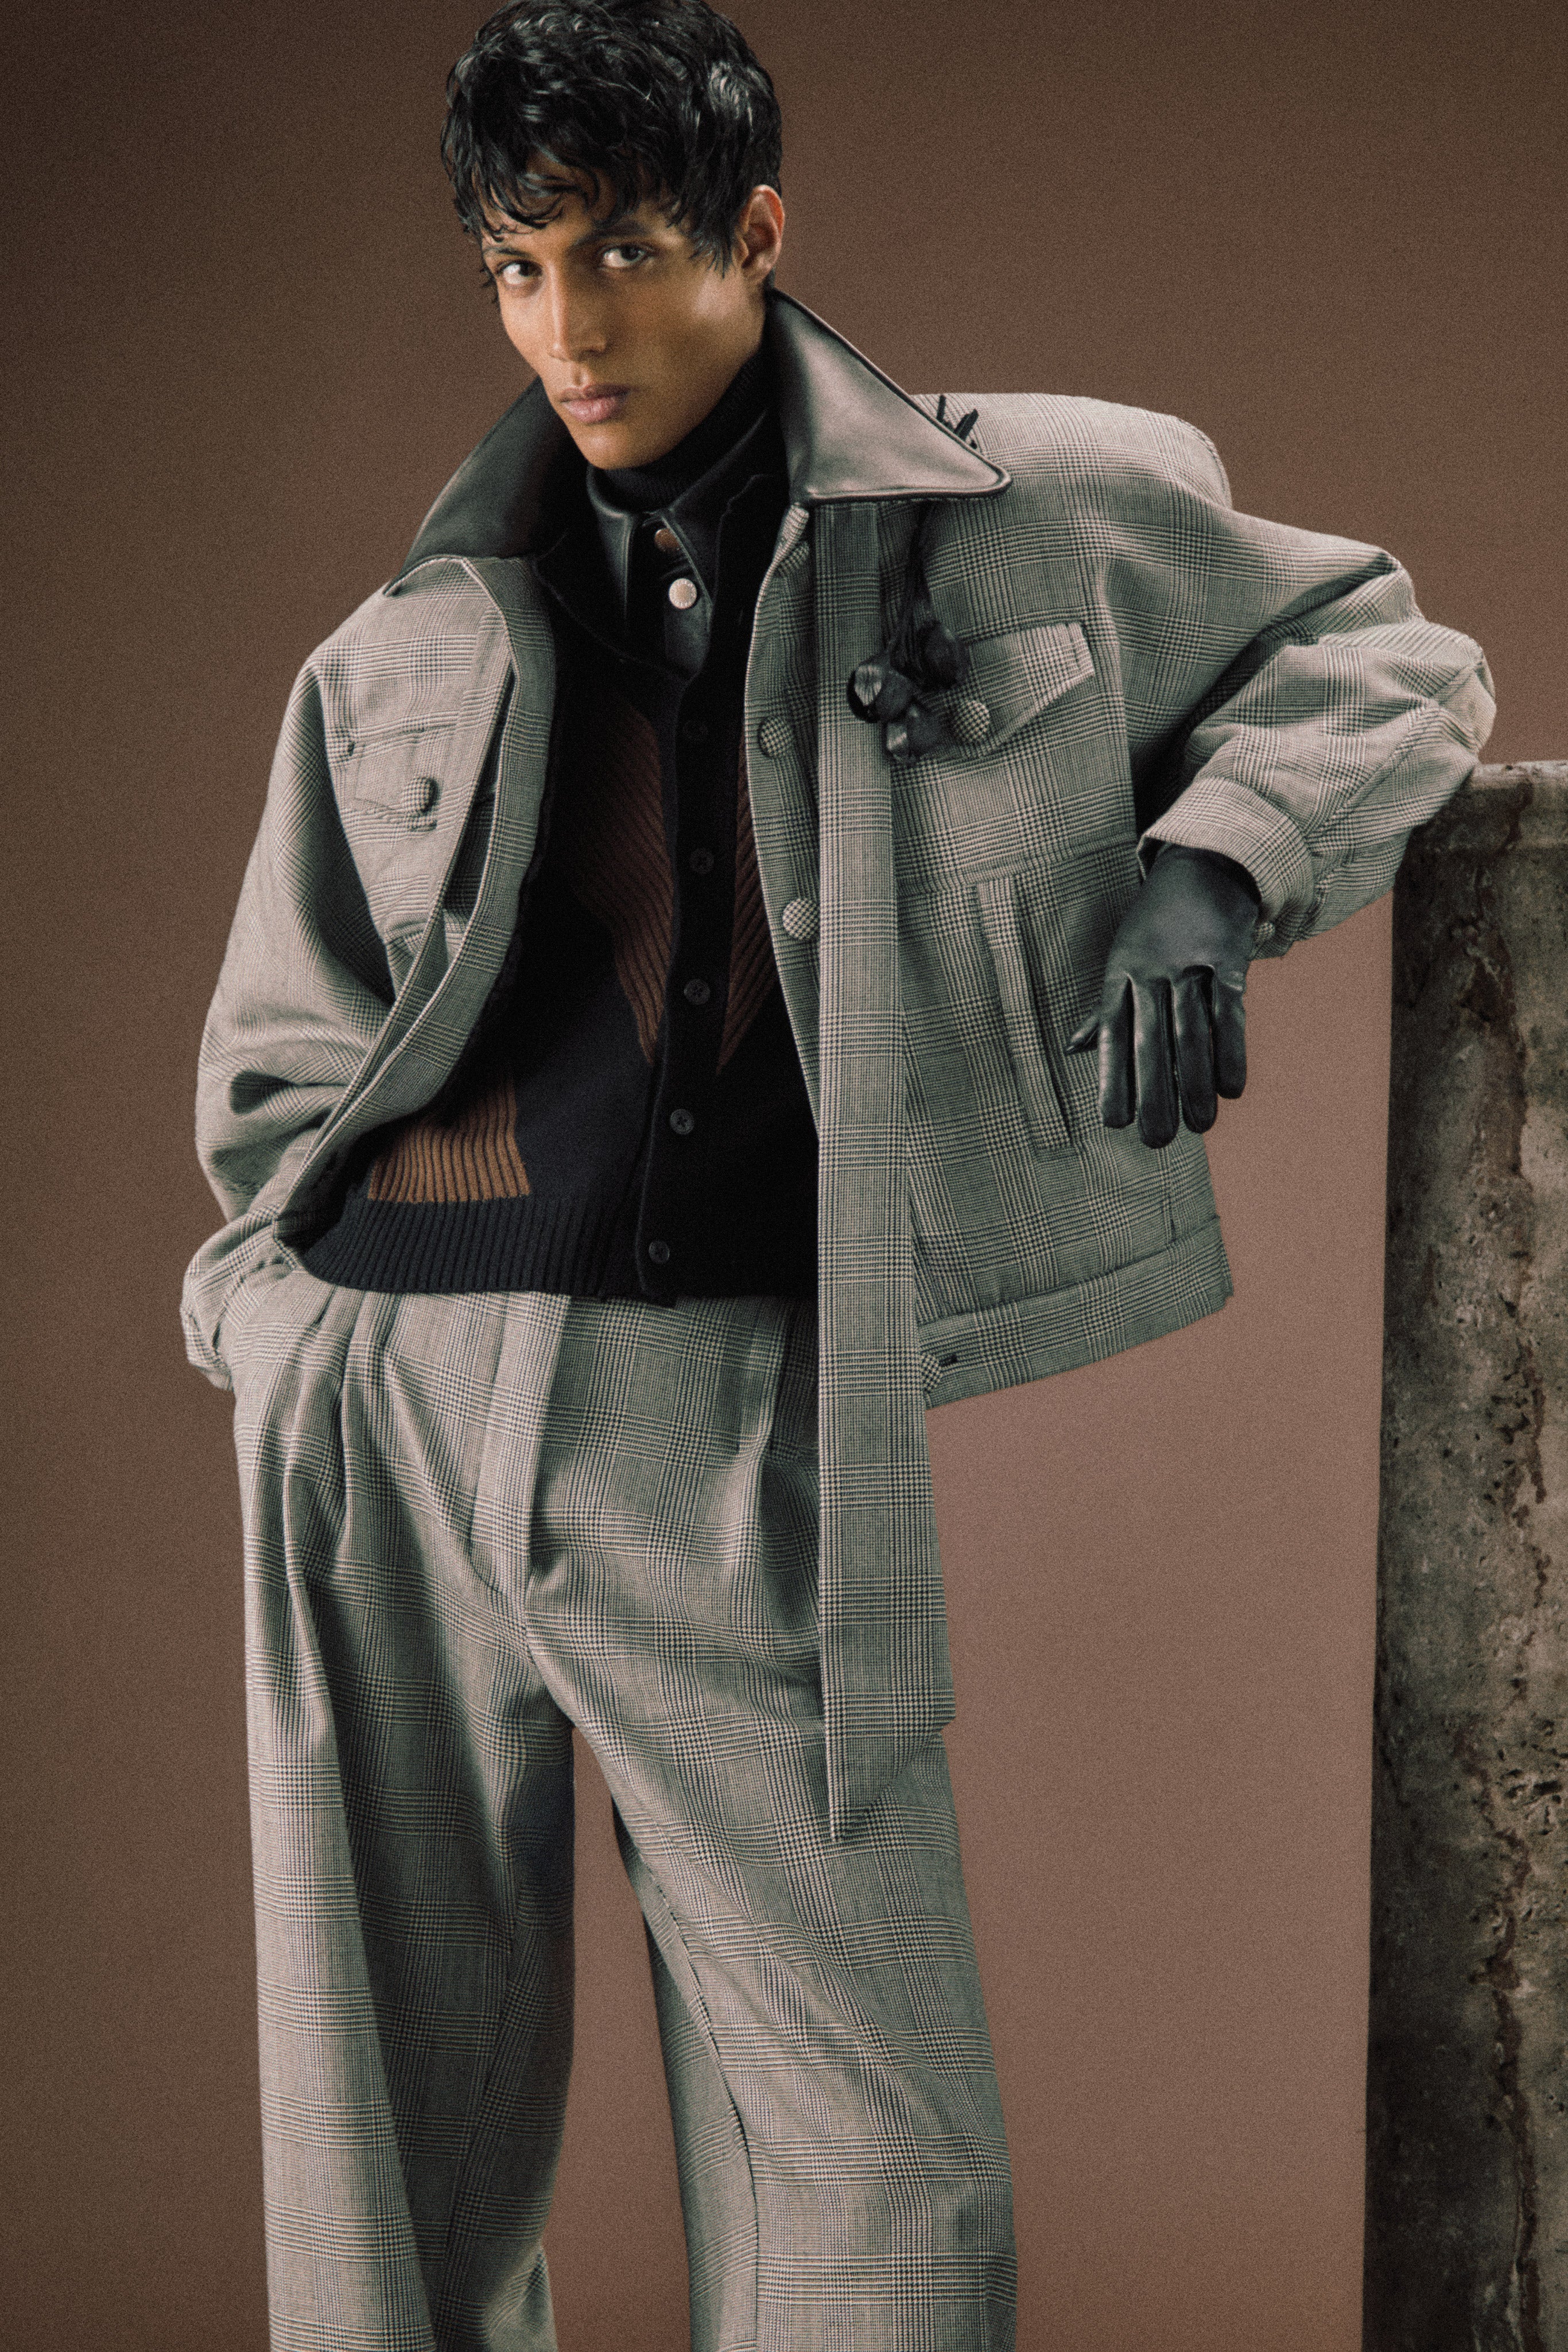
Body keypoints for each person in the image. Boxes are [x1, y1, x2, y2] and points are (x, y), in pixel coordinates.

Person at [180, 2, 1496, 2345]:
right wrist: (276, 1327)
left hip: (715, 1403)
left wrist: (1211, 870)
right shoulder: (400, 648)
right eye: (515, 269)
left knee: (874, 2162)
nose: (567, 327)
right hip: (375, 1400)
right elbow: (283, 1070)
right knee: (381, 2170)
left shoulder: (1026, 505)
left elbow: (1384, 659)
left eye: (623, 252)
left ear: (755, 235)